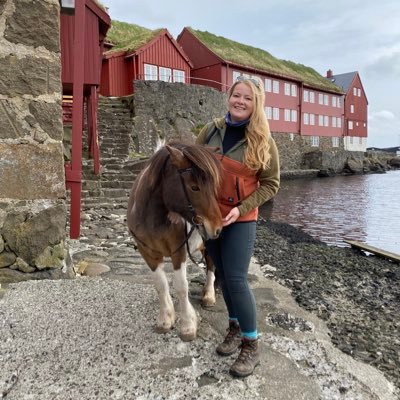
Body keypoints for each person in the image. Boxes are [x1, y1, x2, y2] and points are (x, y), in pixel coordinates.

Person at [196, 76, 280, 377]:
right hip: (210, 216)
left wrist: (241, 208)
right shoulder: (210, 130)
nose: (240, 101)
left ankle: (251, 344)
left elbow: (271, 183)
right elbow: (195, 168)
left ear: (256, 104)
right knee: (220, 275)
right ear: (229, 97)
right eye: (237, 95)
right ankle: (233, 327)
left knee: (236, 279)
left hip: (240, 219)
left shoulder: (263, 140)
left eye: (248, 98)